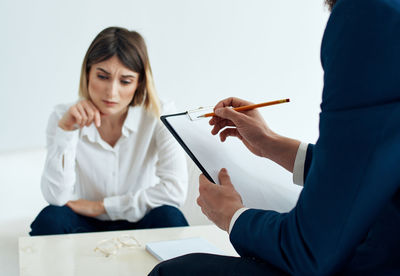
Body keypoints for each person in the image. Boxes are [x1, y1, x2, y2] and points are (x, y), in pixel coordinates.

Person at [149, 0, 400, 275]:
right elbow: (368, 167)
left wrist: (233, 215)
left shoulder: (371, 13)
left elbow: (308, 250)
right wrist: (269, 142)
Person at [30, 27, 189, 236]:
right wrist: (66, 131)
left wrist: (102, 207)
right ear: (87, 73)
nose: (111, 92)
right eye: (102, 76)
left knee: (171, 217)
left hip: (140, 217)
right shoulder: (64, 116)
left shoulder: (160, 113)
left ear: (139, 82)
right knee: (50, 218)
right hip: (86, 223)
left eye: (125, 81)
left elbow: (175, 192)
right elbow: (56, 197)